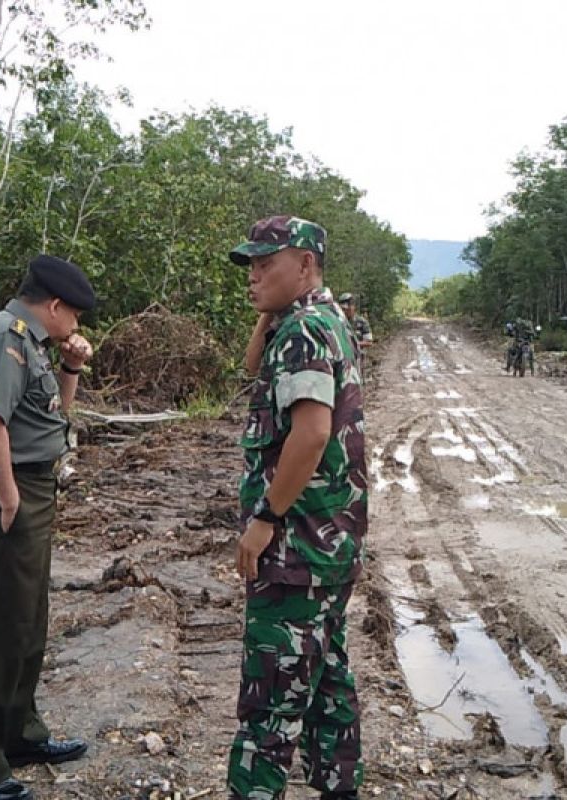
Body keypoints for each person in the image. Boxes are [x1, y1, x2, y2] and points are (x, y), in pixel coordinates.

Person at [226, 215, 368, 800]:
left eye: (267, 264)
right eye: (251, 265)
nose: (253, 276)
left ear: (306, 265)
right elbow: (250, 368)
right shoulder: (318, 319)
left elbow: (309, 434)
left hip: (297, 546)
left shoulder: (305, 331)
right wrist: (270, 304)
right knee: (328, 683)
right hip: (329, 544)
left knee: (269, 705)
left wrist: (264, 520)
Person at [0, 254, 95, 800]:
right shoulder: (2, 338)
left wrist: (71, 367)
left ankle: (21, 734)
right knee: (4, 626)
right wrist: (9, 501)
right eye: (74, 316)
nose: (76, 327)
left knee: (29, 619)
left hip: (29, 487)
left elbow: (52, 412)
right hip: (5, 490)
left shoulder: (34, 343)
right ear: (53, 306)